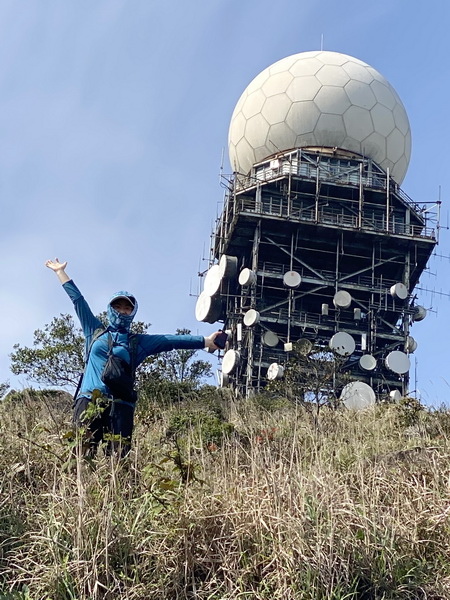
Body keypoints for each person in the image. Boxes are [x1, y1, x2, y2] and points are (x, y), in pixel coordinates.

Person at [45, 258, 221, 457]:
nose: (122, 311)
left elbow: (170, 341)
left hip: (121, 406)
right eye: (118, 307)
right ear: (110, 309)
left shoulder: (138, 342)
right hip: (89, 401)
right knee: (80, 455)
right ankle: (77, 489)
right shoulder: (95, 331)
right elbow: (78, 302)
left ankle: (119, 489)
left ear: (133, 312)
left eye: (127, 308)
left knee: (119, 460)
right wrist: (60, 272)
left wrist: (206, 341)